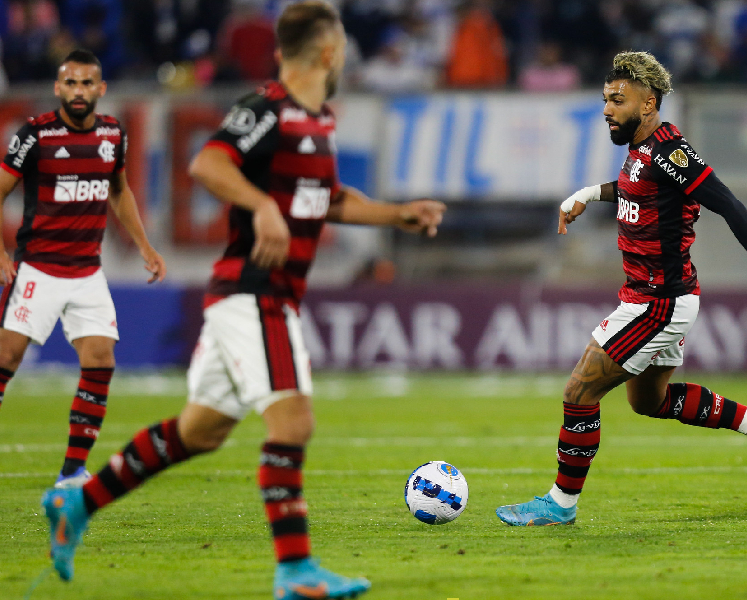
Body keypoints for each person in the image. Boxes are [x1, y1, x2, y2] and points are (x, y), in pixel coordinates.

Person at [41, 3, 446, 599]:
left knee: (198, 432)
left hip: (263, 298)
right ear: (331, 52)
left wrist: (396, 215)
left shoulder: (320, 121)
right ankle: (296, 571)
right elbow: (207, 162)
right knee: (293, 421)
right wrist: (260, 207)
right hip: (253, 295)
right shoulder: (268, 109)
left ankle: (79, 504)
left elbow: (328, 200)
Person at [496, 51, 747, 527]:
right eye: (605, 100)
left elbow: (729, 204)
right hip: (656, 296)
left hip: (659, 301)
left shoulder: (670, 152)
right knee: (649, 401)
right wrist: (587, 195)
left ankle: (559, 503)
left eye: (618, 100)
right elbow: (636, 186)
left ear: (649, 104)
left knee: (579, 391)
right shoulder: (640, 153)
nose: (607, 109)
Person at [0, 49, 166, 489]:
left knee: (100, 361)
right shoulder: (35, 136)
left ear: (100, 89)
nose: (78, 91)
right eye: (70, 83)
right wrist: (0, 253)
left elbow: (119, 191)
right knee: (5, 359)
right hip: (37, 268)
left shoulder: (113, 134)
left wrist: (145, 244)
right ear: (57, 88)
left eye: (86, 83)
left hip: (87, 272)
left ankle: (73, 471)